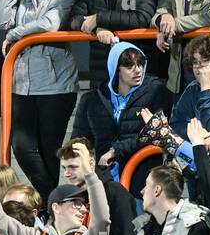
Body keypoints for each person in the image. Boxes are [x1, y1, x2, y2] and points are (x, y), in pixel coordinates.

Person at [0, 0, 78, 201]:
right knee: (22, 147)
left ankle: (49, 207)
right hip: (22, 85)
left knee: (49, 149)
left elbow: (49, 24)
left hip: (55, 86)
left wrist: (15, 35)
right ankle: (54, 201)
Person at [71, 42, 171, 174]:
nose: (138, 70)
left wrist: (115, 151)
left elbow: (154, 133)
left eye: (140, 64)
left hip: (142, 172)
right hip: (103, 173)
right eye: (130, 66)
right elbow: (79, 141)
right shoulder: (92, 99)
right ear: (116, 69)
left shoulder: (156, 91)